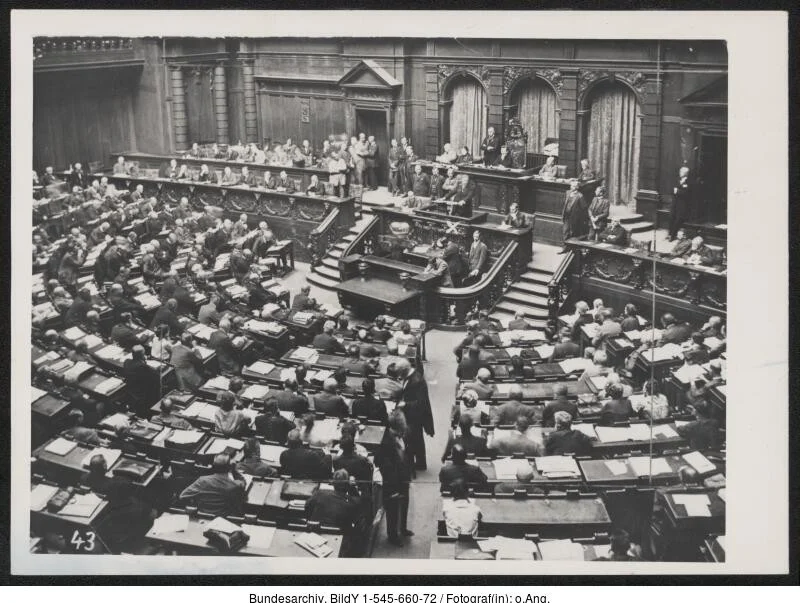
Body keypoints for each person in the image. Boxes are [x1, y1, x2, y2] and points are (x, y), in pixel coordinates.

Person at [374, 410, 414, 546]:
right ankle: (392, 535)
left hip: (404, 476)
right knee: (392, 510)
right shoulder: (385, 441)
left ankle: (402, 528)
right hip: (392, 481)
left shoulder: (404, 435)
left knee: (405, 504)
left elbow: (408, 453)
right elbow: (380, 461)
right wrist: (392, 483)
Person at [396, 359, 435, 472]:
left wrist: (405, 404)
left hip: (415, 415)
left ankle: (415, 464)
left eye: (399, 372)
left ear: (404, 370)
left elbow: (421, 403)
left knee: (414, 438)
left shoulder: (417, 381)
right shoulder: (410, 377)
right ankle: (419, 463)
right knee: (416, 439)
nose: (398, 375)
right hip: (412, 413)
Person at [179, 453, 247, 516]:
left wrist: (197, 501)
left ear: (213, 466)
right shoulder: (235, 485)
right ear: (229, 468)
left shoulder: (202, 481)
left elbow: (183, 496)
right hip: (223, 521)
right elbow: (243, 482)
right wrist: (234, 470)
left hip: (203, 516)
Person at [559, 179, 589, 253]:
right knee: (565, 232)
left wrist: (580, 218)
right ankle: (565, 247)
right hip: (566, 216)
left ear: (576, 187)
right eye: (571, 185)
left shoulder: (580, 196)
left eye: (572, 186)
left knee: (573, 233)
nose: (570, 187)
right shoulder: (567, 192)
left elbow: (584, 208)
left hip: (575, 218)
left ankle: (572, 249)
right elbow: (565, 204)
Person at [667, 166, 693, 241]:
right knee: (671, 217)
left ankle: (673, 235)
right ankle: (670, 234)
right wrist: (678, 190)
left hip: (683, 204)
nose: (680, 173)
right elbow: (672, 190)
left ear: (686, 173)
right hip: (675, 202)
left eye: (681, 172)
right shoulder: (677, 180)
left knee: (678, 219)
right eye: (680, 171)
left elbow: (688, 193)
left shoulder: (689, 182)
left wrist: (678, 191)